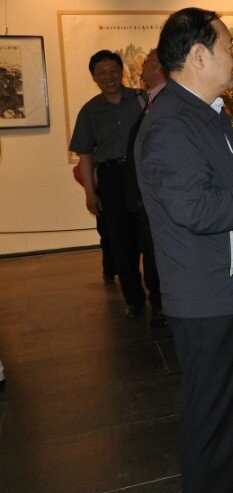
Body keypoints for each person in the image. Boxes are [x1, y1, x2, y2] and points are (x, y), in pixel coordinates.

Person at [135, 8, 233, 493]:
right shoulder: (171, 124)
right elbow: (195, 207)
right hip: (213, 297)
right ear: (199, 56)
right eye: (228, 47)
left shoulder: (208, 114)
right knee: (216, 426)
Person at [69, 50, 150, 318]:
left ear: (122, 71)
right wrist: (90, 194)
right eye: (102, 72)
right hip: (111, 178)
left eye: (113, 70)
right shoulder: (89, 111)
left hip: (142, 175)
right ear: (94, 77)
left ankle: (160, 301)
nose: (109, 76)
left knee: (150, 240)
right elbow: (84, 155)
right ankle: (134, 301)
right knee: (121, 243)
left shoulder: (142, 99)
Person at [124, 49, 167, 328]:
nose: (142, 66)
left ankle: (163, 304)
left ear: (161, 66)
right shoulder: (153, 100)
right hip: (146, 196)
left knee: (156, 253)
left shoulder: (166, 101)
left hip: (156, 197)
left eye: (149, 60)